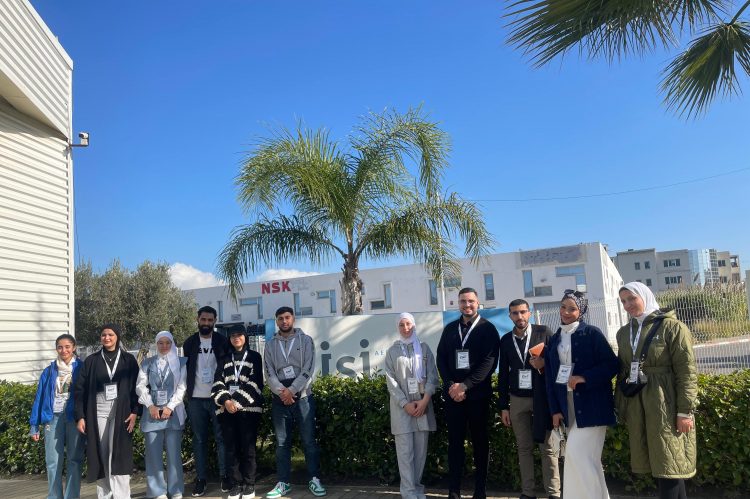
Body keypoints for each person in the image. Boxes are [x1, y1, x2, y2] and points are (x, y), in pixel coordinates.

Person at [615, 282, 697, 499]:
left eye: (632, 298)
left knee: (669, 462)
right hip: (638, 402)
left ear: (645, 296)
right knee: (663, 465)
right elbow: (622, 370)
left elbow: (686, 372)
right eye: (623, 301)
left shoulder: (673, 327)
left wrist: (685, 411)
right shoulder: (623, 333)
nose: (628, 305)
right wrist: (622, 406)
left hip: (665, 402)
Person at [544, 290, 618, 499]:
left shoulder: (592, 333)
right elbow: (550, 378)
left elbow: (612, 365)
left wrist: (585, 377)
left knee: (576, 454)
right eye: (563, 307)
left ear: (581, 311)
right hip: (567, 405)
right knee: (586, 460)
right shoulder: (555, 338)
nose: (566, 312)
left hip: (592, 405)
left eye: (572, 309)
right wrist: (555, 410)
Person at [436, 287, 500, 499]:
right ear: (458, 304)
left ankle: (480, 490)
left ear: (477, 302)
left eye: (471, 301)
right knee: (455, 444)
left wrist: (465, 386)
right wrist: (451, 385)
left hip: (478, 397)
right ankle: (454, 491)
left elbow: (489, 363)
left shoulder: (488, 329)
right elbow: (441, 358)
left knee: (480, 443)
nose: (467, 305)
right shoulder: (450, 329)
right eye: (463, 301)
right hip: (453, 397)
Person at [498, 299, 560, 499]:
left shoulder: (544, 332)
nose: (520, 316)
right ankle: (528, 492)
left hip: (541, 398)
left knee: (547, 447)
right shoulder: (506, 340)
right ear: (510, 316)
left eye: (523, 312)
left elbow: (558, 361)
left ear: (530, 313)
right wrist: (503, 406)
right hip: (517, 400)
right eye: (515, 313)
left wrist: (544, 362)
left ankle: (554, 493)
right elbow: (503, 375)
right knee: (523, 448)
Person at [264, 306, 326, 498]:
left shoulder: (306, 340)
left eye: (287, 317)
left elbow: (308, 367)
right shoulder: (270, 344)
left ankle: (314, 479)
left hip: (303, 397)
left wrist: (292, 390)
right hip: (280, 399)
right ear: (276, 321)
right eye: (280, 318)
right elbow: (269, 372)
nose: (284, 321)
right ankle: (283, 483)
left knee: (309, 441)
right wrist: (282, 392)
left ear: (293, 319)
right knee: (282, 443)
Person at [74, 324, 139, 499]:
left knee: (118, 453)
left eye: (110, 334)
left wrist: (135, 411)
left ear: (117, 337)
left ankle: (121, 495)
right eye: (103, 335)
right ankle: (104, 494)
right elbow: (79, 390)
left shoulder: (128, 360)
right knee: (100, 452)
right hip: (98, 408)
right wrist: (80, 416)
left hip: (121, 409)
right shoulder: (91, 360)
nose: (107, 338)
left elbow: (136, 388)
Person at [385, 313, 439, 499]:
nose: (406, 328)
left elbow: (433, 376)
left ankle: (417, 488)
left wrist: (424, 401)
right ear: (397, 327)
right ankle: (408, 492)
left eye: (408, 324)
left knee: (420, 453)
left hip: (423, 407)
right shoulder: (392, 351)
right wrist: (405, 404)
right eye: (402, 325)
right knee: (405, 453)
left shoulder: (424, 348)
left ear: (414, 325)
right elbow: (391, 382)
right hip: (402, 410)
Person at [29, 333, 85, 499]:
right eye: (60, 347)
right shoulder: (49, 371)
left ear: (74, 348)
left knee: (74, 459)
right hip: (52, 418)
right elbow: (39, 397)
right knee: (53, 461)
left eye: (67, 347)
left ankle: (71, 496)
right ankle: (54, 496)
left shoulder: (82, 368)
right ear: (56, 349)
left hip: (74, 418)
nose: (64, 350)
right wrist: (34, 425)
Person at [183, 305, 230, 496]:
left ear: (215, 321)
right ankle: (201, 479)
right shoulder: (189, 343)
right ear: (198, 320)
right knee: (199, 440)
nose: (206, 323)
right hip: (195, 399)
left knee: (221, 438)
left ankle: (225, 476)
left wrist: (225, 395)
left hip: (217, 398)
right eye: (203, 319)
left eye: (210, 320)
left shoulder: (222, 341)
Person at [212, 324, 264, 499]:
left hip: (249, 409)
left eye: (239, 335)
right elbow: (218, 382)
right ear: (229, 338)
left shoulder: (255, 356)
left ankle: (249, 484)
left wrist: (236, 402)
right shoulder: (224, 358)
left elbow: (256, 382)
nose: (236, 338)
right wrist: (226, 401)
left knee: (248, 448)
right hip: (227, 410)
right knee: (231, 448)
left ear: (245, 337)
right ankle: (235, 484)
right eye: (233, 335)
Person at [136, 331, 187, 499]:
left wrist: (170, 407)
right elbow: (140, 386)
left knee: (174, 454)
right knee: (153, 455)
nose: (164, 346)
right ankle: (157, 491)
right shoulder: (147, 363)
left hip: (173, 413)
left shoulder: (181, 363)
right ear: (156, 344)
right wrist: (150, 405)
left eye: (167, 343)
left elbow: (182, 387)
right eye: (160, 343)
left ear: (172, 344)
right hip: (152, 413)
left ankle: (176, 490)